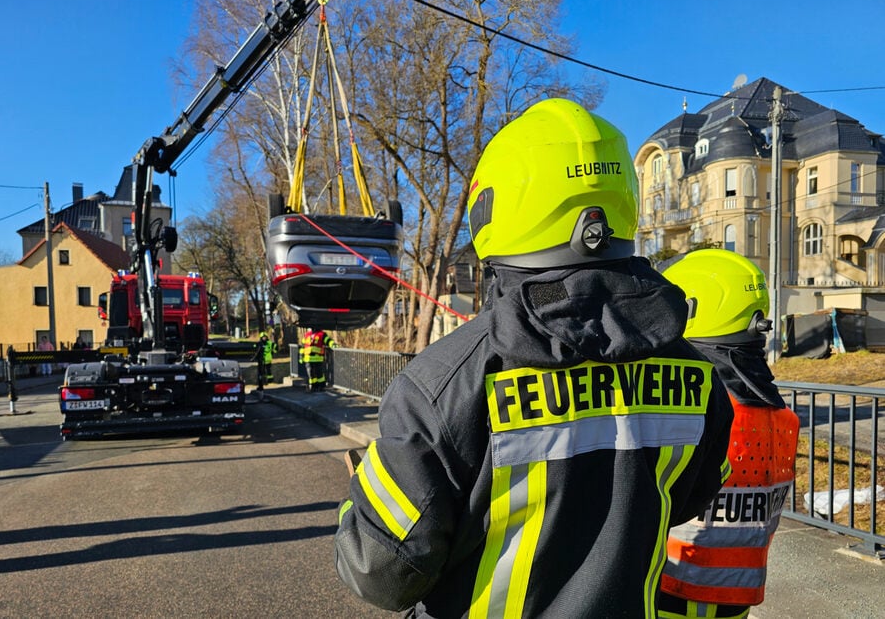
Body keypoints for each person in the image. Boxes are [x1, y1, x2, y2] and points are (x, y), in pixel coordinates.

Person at [333, 98, 734, 617]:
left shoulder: (440, 385)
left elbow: (381, 572)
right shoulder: (698, 372)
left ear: (493, 212)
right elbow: (687, 498)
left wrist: (358, 504)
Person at [657, 249, 799, 619]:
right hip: (737, 595)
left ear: (689, 310)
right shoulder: (780, 415)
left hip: (672, 588)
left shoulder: (692, 410)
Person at [299, 328, 335, 392]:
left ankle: (321, 386)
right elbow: (302, 346)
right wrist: (301, 356)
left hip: (318, 358)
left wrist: (332, 344)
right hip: (308, 359)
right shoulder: (307, 334)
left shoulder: (322, 334)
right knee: (311, 374)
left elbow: (328, 340)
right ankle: (313, 386)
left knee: (319, 374)